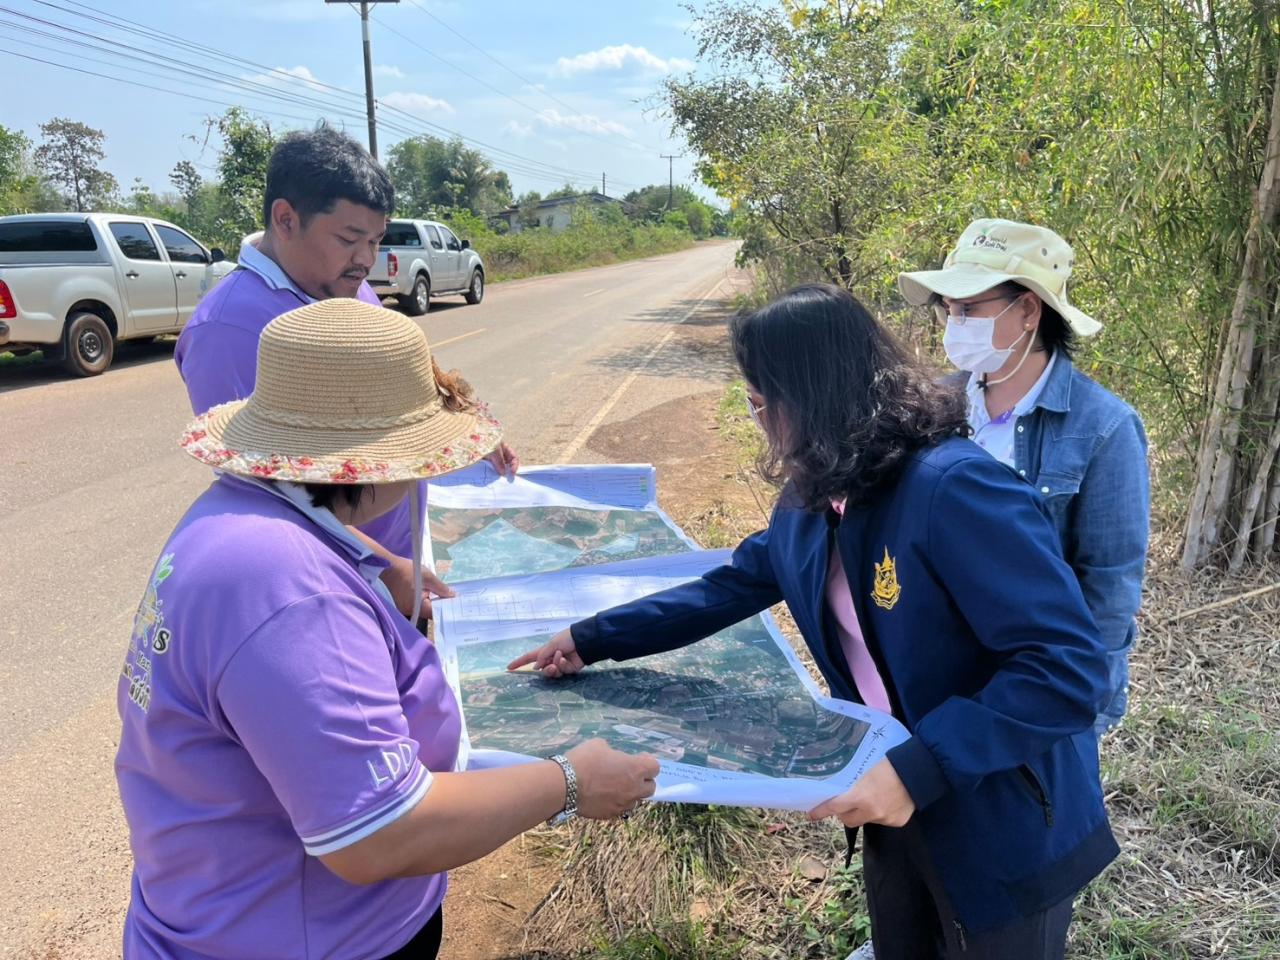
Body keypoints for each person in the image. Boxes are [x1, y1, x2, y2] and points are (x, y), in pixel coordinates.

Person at [510, 284, 1118, 959]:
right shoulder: (808, 504)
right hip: (892, 796)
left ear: (811, 396)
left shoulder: (952, 490)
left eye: (760, 402)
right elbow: (726, 588)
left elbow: (1067, 666)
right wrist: (590, 638)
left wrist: (921, 768)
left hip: (1000, 808)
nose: (757, 419)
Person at [117, 298, 657, 960]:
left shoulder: (239, 518)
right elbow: (376, 833)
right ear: (377, 462)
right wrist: (570, 781)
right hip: (306, 938)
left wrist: (375, 569)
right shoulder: (291, 591)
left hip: (223, 908)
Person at [174, 125, 517, 620]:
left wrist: (466, 434)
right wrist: (383, 568)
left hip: (404, 566)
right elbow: (264, 490)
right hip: (338, 588)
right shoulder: (229, 328)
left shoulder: (348, 287)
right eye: (350, 238)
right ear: (286, 219)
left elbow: (401, 387)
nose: (365, 259)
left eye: (375, 240)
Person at [898, 219, 1149, 734]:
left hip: (1034, 678)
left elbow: (1108, 582)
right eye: (949, 309)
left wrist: (1081, 701)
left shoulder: (1102, 427)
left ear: (1028, 310)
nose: (954, 321)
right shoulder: (933, 404)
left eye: (969, 309)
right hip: (935, 666)